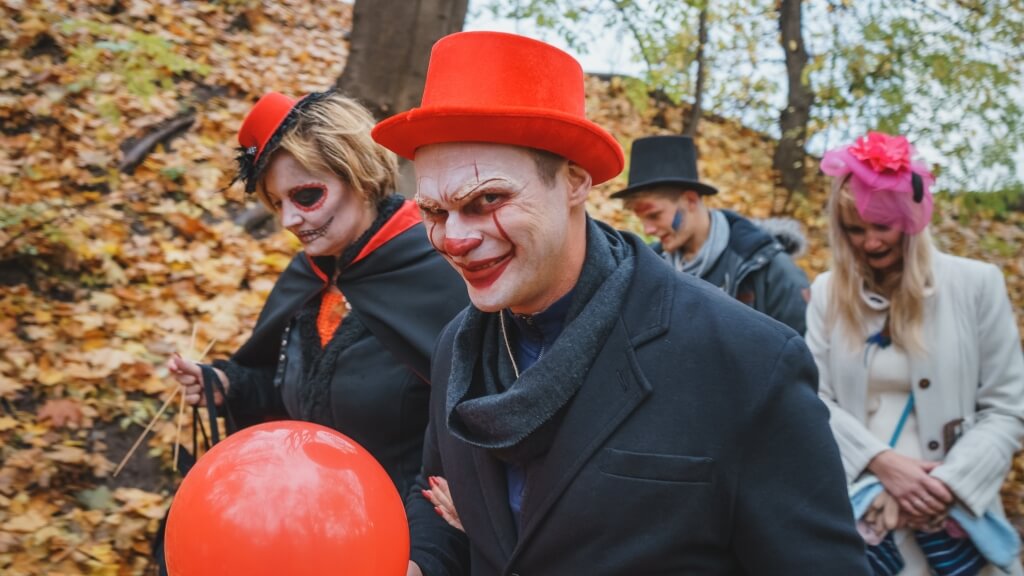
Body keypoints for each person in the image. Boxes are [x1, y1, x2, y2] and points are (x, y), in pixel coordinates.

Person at [371, 30, 870, 576]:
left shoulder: (747, 360)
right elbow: (439, 499)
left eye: (487, 199)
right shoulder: (456, 349)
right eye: (434, 212)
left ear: (574, 182)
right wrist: (422, 565)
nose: (455, 238)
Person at [166, 89, 468, 497]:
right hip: (303, 505)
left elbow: (471, 431)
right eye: (277, 203)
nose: (289, 220)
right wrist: (226, 385)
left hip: (400, 519)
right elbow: (294, 394)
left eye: (306, 195)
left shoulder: (442, 272)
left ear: (360, 176)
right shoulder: (309, 275)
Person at [807, 131, 1024, 575]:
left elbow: (1006, 406)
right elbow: (813, 400)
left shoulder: (977, 284)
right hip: (862, 512)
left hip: (953, 516)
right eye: (855, 230)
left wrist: (945, 487)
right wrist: (881, 465)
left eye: (882, 227)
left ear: (909, 219)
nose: (869, 242)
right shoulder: (827, 293)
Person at [612, 135, 810, 333]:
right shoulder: (649, 266)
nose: (647, 230)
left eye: (654, 215)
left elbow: (798, 347)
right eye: (642, 219)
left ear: (690, 200)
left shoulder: (768, 268)